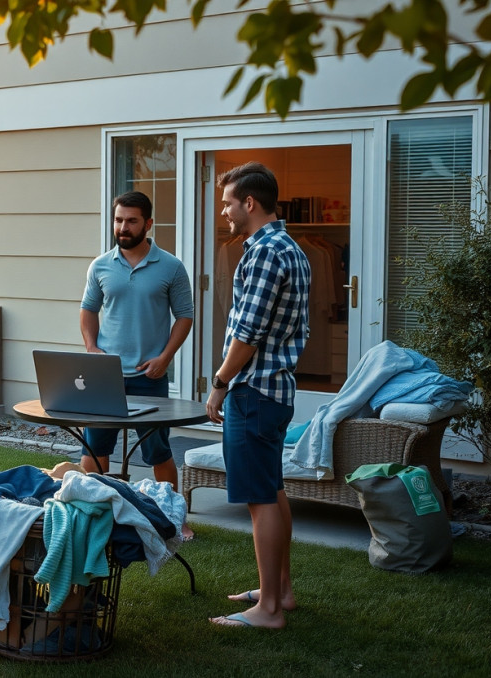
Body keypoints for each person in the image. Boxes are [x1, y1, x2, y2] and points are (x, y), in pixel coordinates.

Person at [206, 162, 311, 629]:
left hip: (254, 390)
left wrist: (220, 382)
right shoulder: (290, 247)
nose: (225, 211)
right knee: (272, 489)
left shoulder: (266, 251)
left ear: (250, 203)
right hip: (275, 390)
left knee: (260, 500)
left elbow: (247, 333)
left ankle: (267, 610)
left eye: (228, 202)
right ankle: (280, 590)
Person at [78, 191, 195, 539]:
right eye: (118, 220)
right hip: (106, 377)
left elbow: (185, 316)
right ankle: (93, 515)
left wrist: (165, 357)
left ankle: (176, 519)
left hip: (149, 376)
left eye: (131, 220)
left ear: (148, 223)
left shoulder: (171, 267)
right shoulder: (100, 266)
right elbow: (88, 310)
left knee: (157, 449)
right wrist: (90, 347)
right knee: (95, 447)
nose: (123, 227)